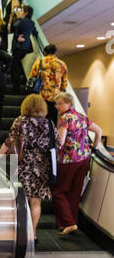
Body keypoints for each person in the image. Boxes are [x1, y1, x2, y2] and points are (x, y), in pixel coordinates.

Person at [0, 94, 61, 242]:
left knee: (22, 200)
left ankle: (21, 232)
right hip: (43, 166)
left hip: (24, 165)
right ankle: (33, 234)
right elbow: (58, 145)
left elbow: (9, 141)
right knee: (36, 202)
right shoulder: (49, 123)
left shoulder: (21, 121)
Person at [51, 93, 102, 236]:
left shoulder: (64, 119)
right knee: (74, 192)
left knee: (58, 191)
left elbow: (60, 142)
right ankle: (72, 223)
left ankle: (68, 223)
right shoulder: (81, 117)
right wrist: (95, 148)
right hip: (84, 159)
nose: (57, 106)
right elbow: (99, 131)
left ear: (69, 103)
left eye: (60, 103)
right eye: (56, 104)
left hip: (68, 160)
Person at [29, 44, 68, 125]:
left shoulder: (39, 62)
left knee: (40, 118)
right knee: (52, 120)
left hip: (41, 95)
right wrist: (61, 89)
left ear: (45, 52)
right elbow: (64, 81)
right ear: (55, 53)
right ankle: (51, 136)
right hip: (55, 96)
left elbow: (32, 76)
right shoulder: (61, 64)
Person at [9, 5, 38, 94]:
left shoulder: (21, 21)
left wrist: (12, 20)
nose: (20, 12)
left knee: (15, 68)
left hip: (18, 47)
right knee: (17, 65)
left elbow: (12, 29)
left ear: (26, 13)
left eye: (22, 11)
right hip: (26, 48)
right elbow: (35, 33)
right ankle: (19, 88)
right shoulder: (32, 23)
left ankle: (16, 89)